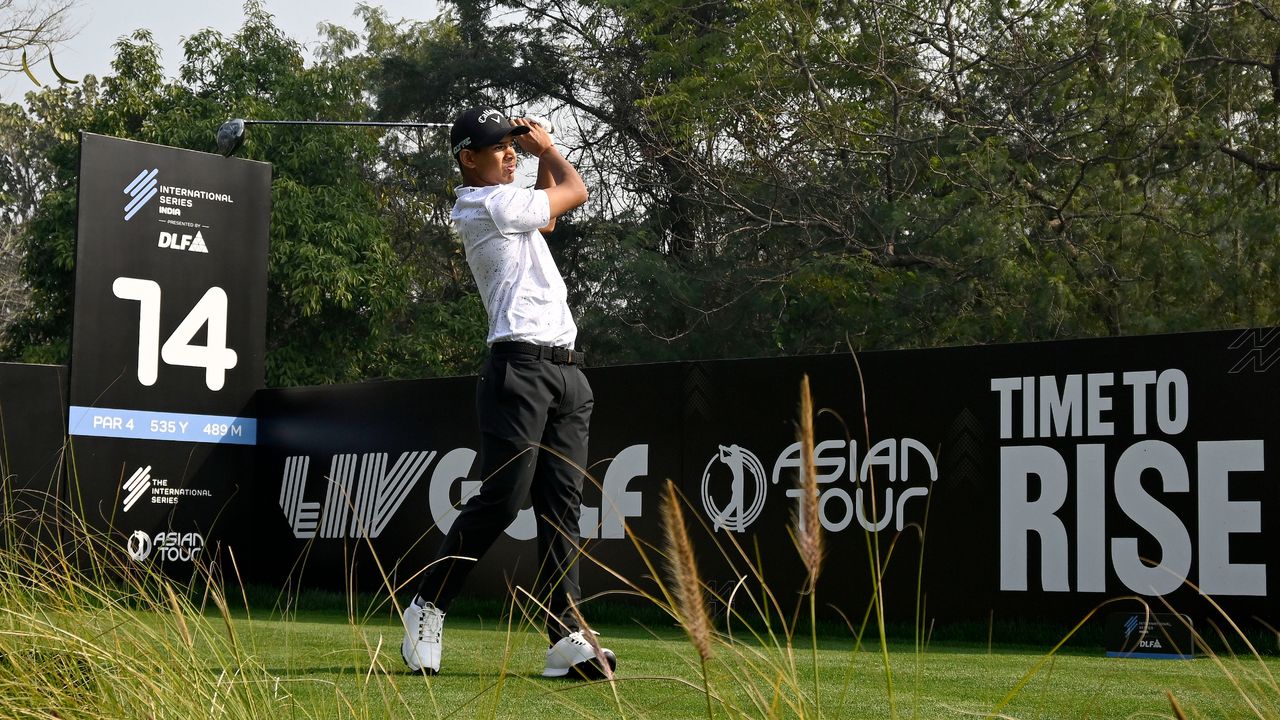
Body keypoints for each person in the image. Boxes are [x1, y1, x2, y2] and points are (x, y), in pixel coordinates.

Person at [400, 107, 617, 680]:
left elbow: (545, 218)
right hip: (518, 367)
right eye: (499, 147)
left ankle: (565, 635)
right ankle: (427, 607)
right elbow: (576, 191)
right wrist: (547, 147)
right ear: (468, 158)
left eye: (512, 145)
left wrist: (534, 156)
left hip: (568, 371)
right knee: (503, 499)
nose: (510, 154)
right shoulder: (483, 204)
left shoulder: (510, 208)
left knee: (562, 506)